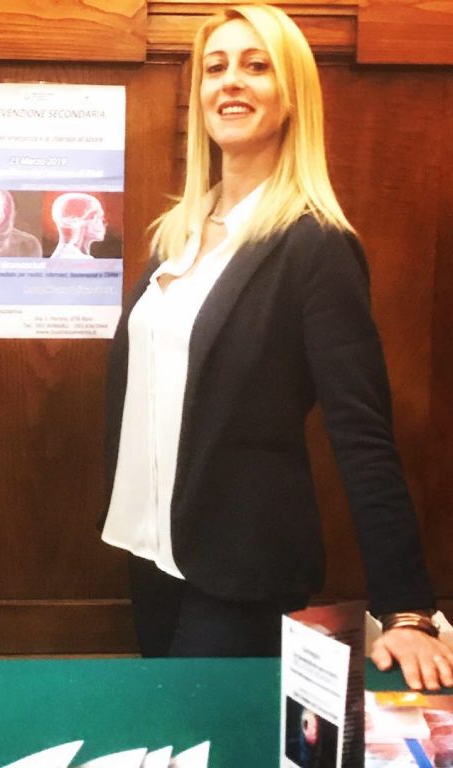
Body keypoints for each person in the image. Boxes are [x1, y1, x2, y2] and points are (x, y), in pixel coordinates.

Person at [100, 4, 453, 690]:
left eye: (256, 65)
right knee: (169, 726)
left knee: (212, 732)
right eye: (215, 67)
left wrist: (407, 607)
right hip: (150, 552)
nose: (231, 81)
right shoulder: (177, 233)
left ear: (291, 96)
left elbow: (362, 433)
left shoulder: (316, 245)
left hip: (241, 569)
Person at [50, 192, 106, 259]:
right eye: (97, 217)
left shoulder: (65, 255)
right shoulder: (72, 258)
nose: (104, 223)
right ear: (74, 221)